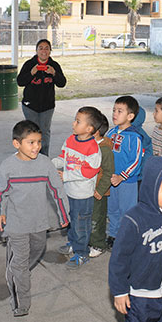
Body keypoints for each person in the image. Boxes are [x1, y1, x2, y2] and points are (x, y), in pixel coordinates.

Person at [0, 120, 69, 317]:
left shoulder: (45, 164)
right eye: (31, 142)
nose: (37, 147)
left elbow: (57, 190)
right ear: (16, 144)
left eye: (39, 142)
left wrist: (63, 213)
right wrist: (0, 212)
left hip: (38, 222)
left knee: (37, 249)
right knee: (19, 263)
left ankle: (17, 271)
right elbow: (1, 193)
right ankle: (21, 303)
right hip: (15, 223)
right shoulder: (8, 167)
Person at [109, 157, 162, 322]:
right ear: (152, 188)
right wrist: (120, 291)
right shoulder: (134, 219)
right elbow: (119, 258)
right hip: (141, 294)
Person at [53, 106, 102, 269]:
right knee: (71, 220)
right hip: (69, 191)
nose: (73, 123)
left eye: (78, 121)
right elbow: (63, 157)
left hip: (83, 195)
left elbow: (89, 171)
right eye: (75, 119)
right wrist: (52, 164)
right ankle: (73, 243)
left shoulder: (93, 148)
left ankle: (81, 253)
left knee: (81, 224)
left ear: (89, 129)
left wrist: (65, 176)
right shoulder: (70, 140)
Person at [17, 39, 67, 156]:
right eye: (41, 48)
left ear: (50, 51)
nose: (43, 51)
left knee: (44, 132)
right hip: (30, 106)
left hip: (47, 106)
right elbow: (20, 82)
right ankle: (30, 155)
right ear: (36, 50)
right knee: (32, 132)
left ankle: (44, 157)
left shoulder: (54, 65)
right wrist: (31, 73)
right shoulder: (29, 64)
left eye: (46, 48)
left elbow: (62, 83)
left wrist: (54, 73)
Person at [106, 96, 142, 249]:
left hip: (126, 181)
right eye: (114, 110)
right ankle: (113, 234)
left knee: (126, 211)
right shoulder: (111, 133)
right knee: (112, 209)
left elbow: (135, 160)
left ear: (130, 116)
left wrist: (122, 176)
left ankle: (128, 238)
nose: (115, 113)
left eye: (120, 111)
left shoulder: (134, 137)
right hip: (111, 179)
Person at [88, 113, 115, 258]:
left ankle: (98, 244)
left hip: (98, 192)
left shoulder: (104, 149)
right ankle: (87, 240)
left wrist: (100, 189)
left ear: (95, 131)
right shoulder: (87, 144)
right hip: (86, 190)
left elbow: (109, 172)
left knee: (96, 219)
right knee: (86, 217)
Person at [132, 107, 153, 184]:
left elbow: (146, 155)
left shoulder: (139, 136)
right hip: (137, 174)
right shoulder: (142, 134)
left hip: (136, 176)